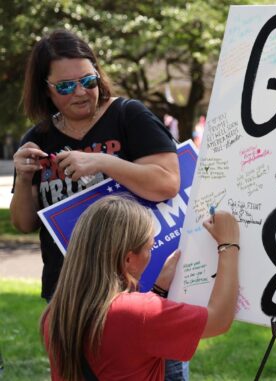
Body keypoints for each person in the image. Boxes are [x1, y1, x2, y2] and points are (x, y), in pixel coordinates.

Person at [10, 29, 183, 379]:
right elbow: (24, 224)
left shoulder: (127, 116)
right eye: (64, 86)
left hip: (141, 290)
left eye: (88, 80)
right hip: (69, 297)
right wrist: (25, 178)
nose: (80, 92)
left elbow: (168, 181)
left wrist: (104, 163)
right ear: (44, 89)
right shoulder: (39, 138)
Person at [41, 195, 240, 381]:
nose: (150, 255)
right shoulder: (137, 312)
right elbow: (219, 319)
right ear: (128, 258)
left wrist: (159, 291)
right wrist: (228, 244)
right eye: (149, 248)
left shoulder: (56, 313)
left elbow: (124, 347)